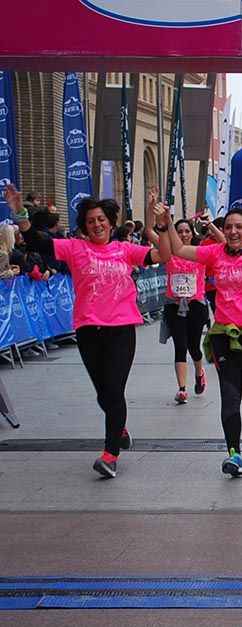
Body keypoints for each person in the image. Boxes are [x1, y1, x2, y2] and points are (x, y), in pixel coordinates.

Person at [6, 183, 172, 478]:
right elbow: (36, 240)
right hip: (88, 329)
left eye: (101, 219)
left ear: (110, 222)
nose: (97, 224)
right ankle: (118, 426)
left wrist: (163, 224)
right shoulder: (75, 248)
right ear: (84, 225)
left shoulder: (125, 249)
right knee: (103, 395)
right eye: (91, 220)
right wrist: (20, 213)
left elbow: (163, 256)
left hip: (121, 329)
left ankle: (110, 454)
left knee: (114, 390)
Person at [166, 175, 242, 477]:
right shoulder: (214, 253)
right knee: (230, 396)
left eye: (239, 227)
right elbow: (178, 251)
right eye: (228, 227)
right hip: (226, 335)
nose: (233, 231)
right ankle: (234, 454)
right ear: (223, 231)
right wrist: (166, 222)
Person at [145, 201, 211, 405]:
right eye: (180, 231)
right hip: (174, 305)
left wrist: (210, 226)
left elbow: (224, 242)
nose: (183, 235)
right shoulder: (168, 250)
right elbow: (148, 230)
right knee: (180, 345)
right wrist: (151, 207)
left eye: (186, 231)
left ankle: (199, 372)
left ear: (192, 233)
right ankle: (182, 389)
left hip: (196, 305)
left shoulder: (199, 252)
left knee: (194, 347)